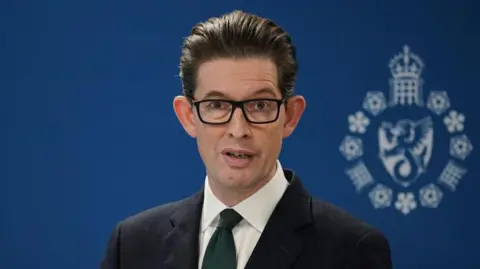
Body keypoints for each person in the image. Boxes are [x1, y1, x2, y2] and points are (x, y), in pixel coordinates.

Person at [100, 10, 392, 269]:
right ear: (188, 116)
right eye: (217, 105)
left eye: (260, 105)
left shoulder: (352, 250)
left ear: (290, 116)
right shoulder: (132, 245)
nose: (238, 129)